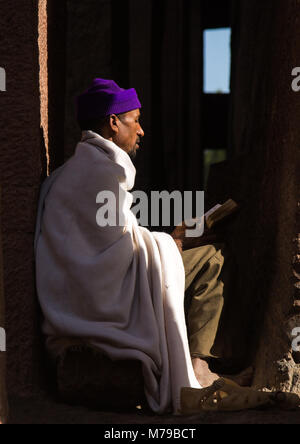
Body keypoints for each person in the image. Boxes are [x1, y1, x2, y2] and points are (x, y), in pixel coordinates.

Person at [34, 79, 234, 414]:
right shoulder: (101, 172)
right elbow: (118, 256)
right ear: (113, 122)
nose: (141, 131)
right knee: (213, 258)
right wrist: (174, 242)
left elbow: (112, 242)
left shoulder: (68, 173)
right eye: (135, 119)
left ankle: (194, 361)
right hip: (103, 301)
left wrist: (168, 240)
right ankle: (197, 367)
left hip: (77, 300)